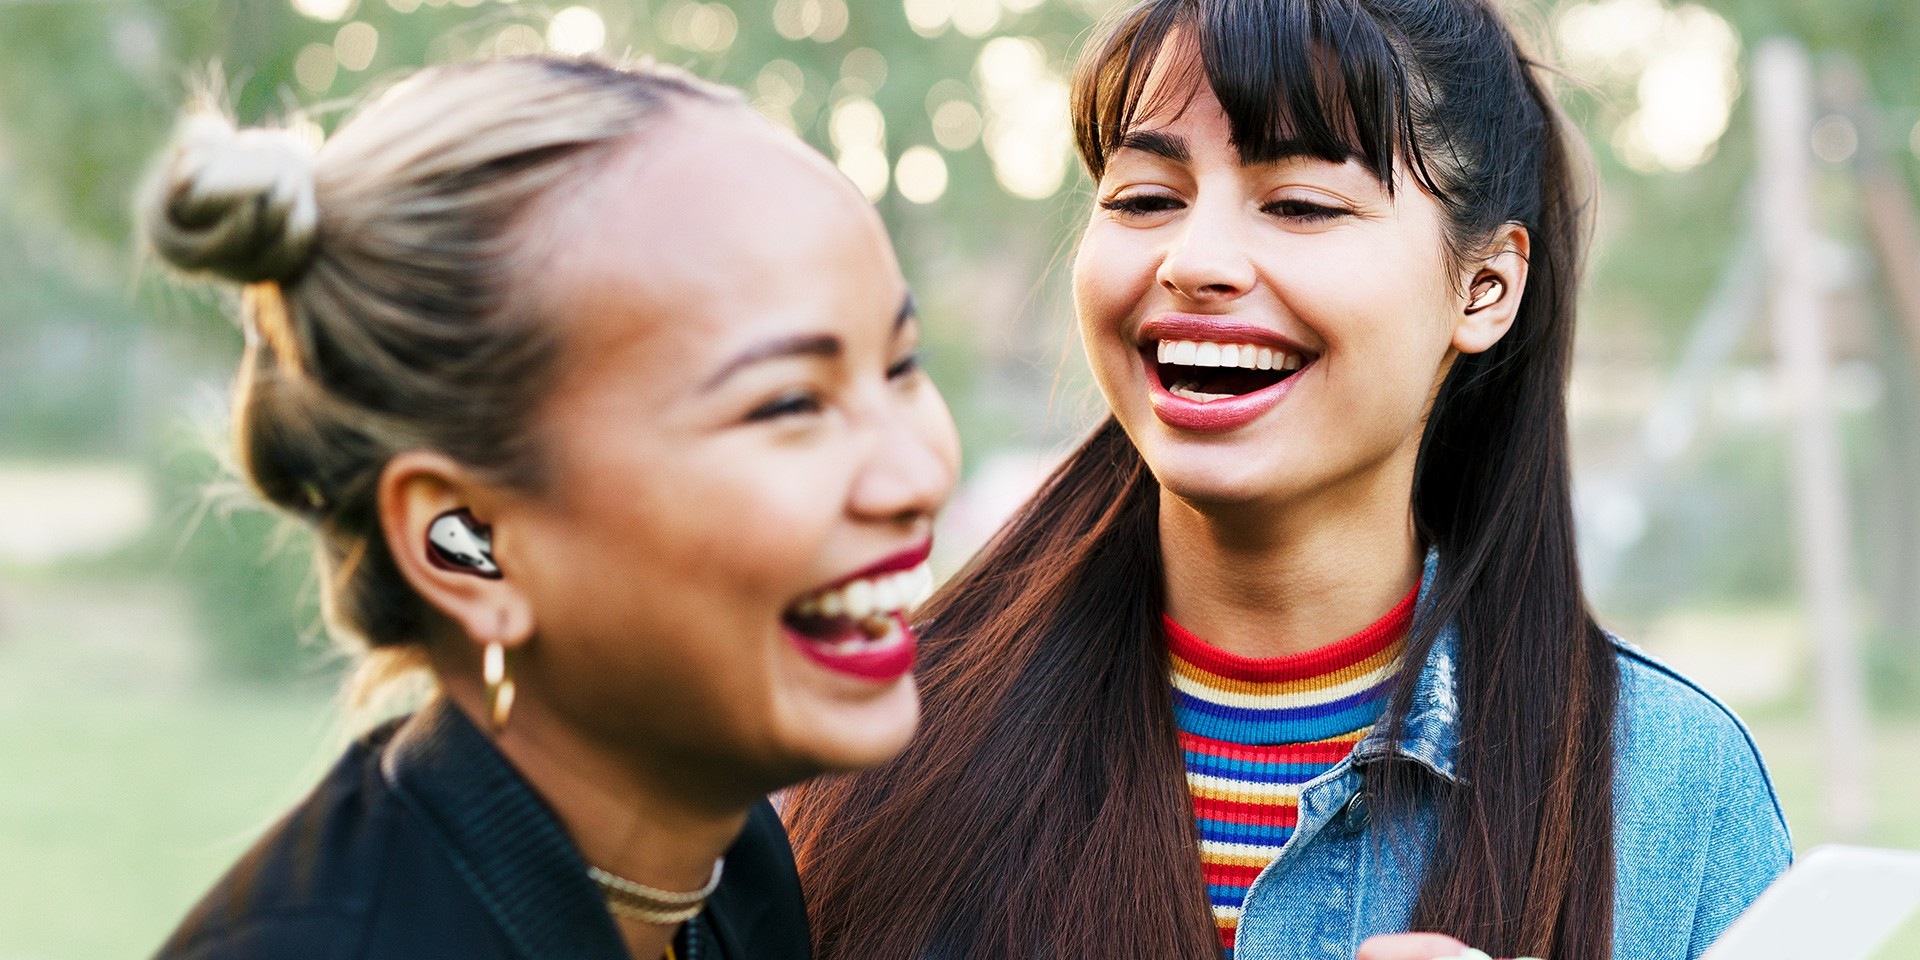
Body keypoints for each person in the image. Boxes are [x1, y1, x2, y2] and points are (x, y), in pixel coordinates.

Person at [783, 1, 1790, 958]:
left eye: (1301, 204)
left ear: (1485, 287)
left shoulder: (1673, 792)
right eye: (1144, 198)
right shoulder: (864, 740)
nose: (1195, 260)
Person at [141, 56, 960, 960]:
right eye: (788, 403)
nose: (916, 474)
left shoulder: (733, 873)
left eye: (900, 366)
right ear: (466, 543)